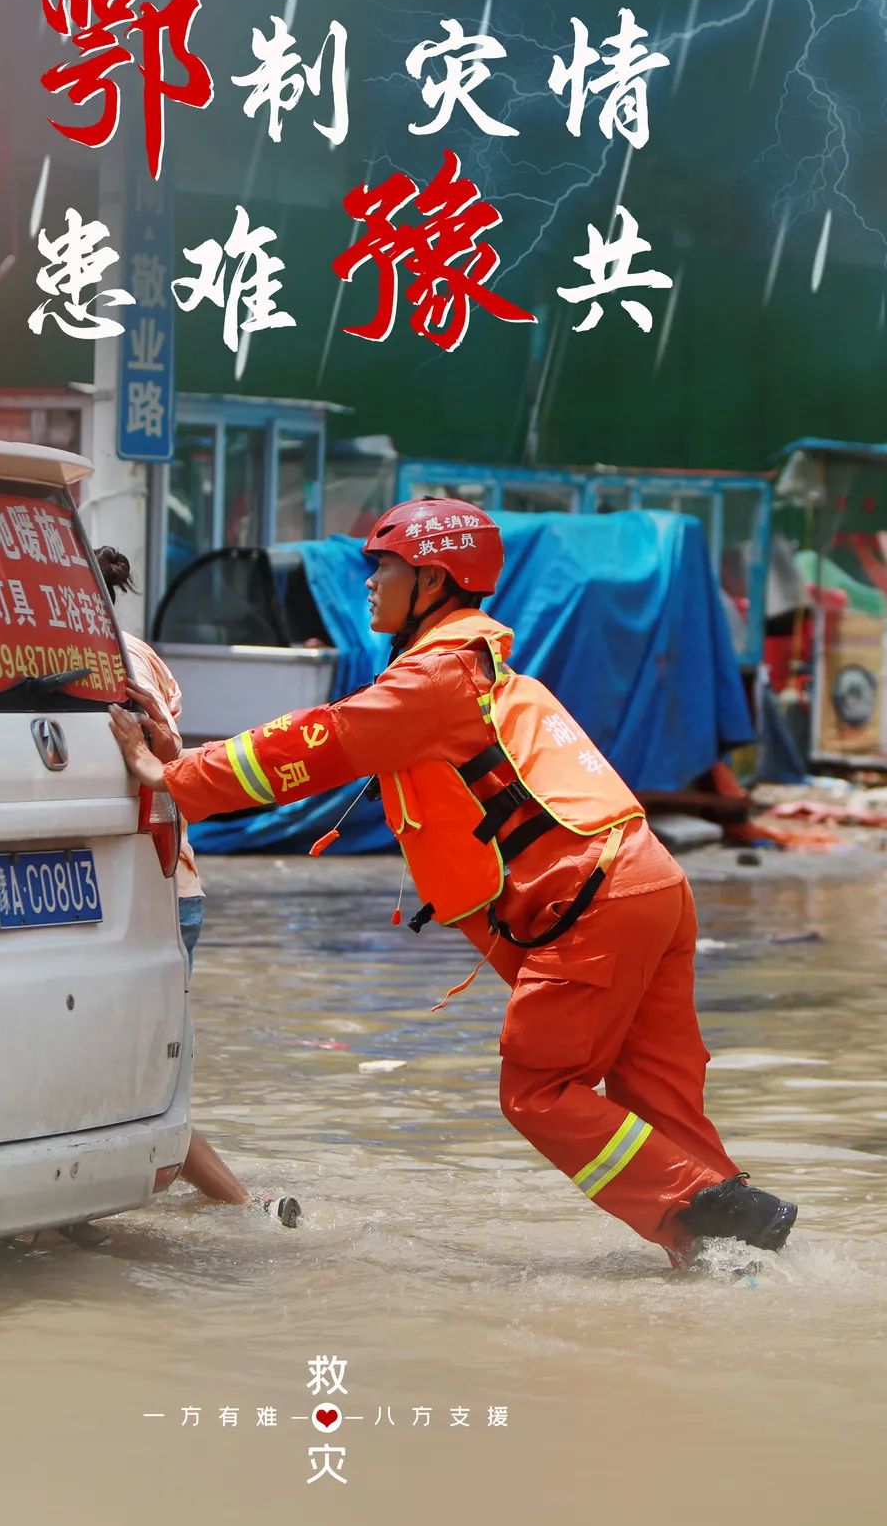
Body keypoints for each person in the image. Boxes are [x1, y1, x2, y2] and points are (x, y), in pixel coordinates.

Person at [107, 502, 798, 1267]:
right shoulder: (475, 667)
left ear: (431, 579)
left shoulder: (433, 678)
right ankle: (733, 1255)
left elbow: (315, 744)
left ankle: (709, 1209)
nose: (369, 584)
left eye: (385, 568)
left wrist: (172, 778)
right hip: (648, 883)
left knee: (537, 1091)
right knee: (654, 1092)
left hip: (591, 904)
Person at [95, 546, 300, 1230]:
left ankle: (247, 1208)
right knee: (132, 1075)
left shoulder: (105, 662)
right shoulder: (138, 653)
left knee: (135, 1081)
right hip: (163, 887)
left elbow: (170, 757)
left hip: (142, 894)